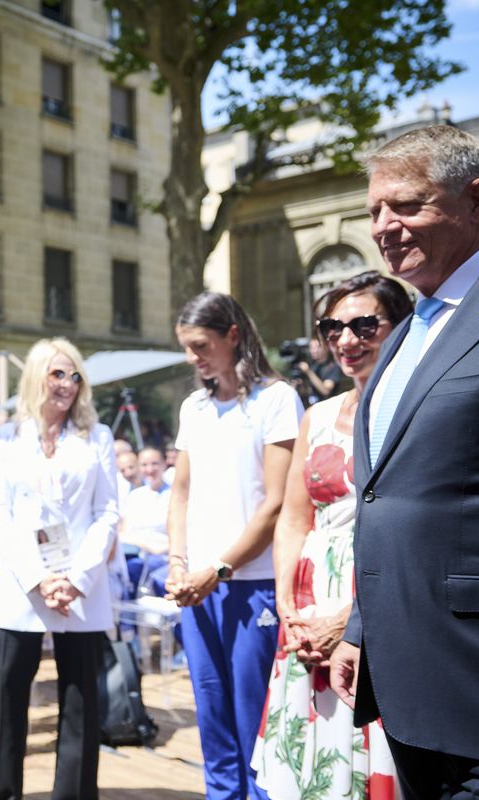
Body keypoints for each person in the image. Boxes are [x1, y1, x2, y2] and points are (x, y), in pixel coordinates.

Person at [328, 125, 479, 797]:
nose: (384, 227)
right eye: (373, 213)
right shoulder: (409, 330)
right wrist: (362, 629)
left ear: (478, 201)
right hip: (404, 669)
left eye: (408, 205)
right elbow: (383, 493)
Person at [252, 272, 412, 797]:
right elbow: (294, 518)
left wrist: (353, 621)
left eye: (365, 325)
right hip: (307, 607)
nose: (346, 340)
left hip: (383, 602)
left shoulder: (420, 414)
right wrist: (287, 610)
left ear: (402, 326)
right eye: (332, 327)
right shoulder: (316, 415)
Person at [166, 292, 302, 800]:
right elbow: (179, 493)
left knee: (255, 726)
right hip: (198, 588)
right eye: (186, 348)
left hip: (254, 585)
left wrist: (218, 568)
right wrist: (179, 562)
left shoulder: (276, 399)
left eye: (201, 345)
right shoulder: (194, 407)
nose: (193, 357)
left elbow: (276, 504)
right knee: (213, 722)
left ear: (233, 336)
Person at [0, 337, 118, 800]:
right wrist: (39, 577)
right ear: (36, 376)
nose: (67, 384)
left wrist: (76, 579)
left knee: (81, 705)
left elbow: (107, 513)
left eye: (75, 376)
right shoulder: (5, 438)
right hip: (23, 586)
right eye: (58, 373)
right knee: (8, 705)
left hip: (81, 588)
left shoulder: (97, 436)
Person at [120, 446, 172, 595]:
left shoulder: (173, 496)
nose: (149, 469)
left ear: (164, 464)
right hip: (133, 555)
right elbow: (123, 532)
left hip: (162, 559)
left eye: (154, 464)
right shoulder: (135, 496)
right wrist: (145, 545)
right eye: (144, 465)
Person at [295, 337, 342, 406]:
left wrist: (308, 371)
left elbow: (326, 390)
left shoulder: (333, 367)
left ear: (326, 347)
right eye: (311, 347)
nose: (313, 351)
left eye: (317, 347)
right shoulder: (312, 366)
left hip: (328, 408)